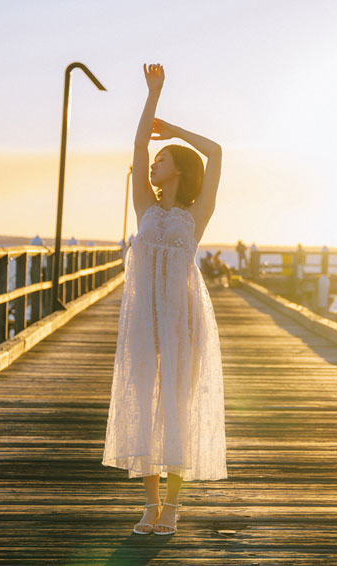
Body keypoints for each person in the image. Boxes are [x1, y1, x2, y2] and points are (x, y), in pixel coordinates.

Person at [102, 63, 227, 536]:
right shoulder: (144, 207)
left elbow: (215, 152)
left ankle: (173, 505)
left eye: (162, 158)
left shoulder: (197, 214)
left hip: (185, 319)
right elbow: (137, 146)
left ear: (178, 168)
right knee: (143, 400)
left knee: (179, 403)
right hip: (143, 318)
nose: (153, 162)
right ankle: (149, 503)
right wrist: (153, 94)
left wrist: (172, 127)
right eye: (155, 159)